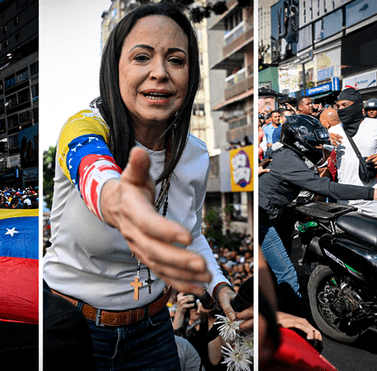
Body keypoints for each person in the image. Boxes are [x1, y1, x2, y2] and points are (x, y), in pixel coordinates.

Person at [42, 3, 241, 369]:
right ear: (115, 68)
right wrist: (119, 200)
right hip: (71, 330)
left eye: (176, 60)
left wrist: (219, 286)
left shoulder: (195, 155)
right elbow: (93, 171)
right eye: (142, 57)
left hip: (154, 332)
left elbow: (192, 233)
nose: (159, 73)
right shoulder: (82, 128)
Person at [258, 114, 377, 316]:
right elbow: (327, 187)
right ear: (300, 142)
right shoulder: (289, 161)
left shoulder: (281, 150)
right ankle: (300, 324)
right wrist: (373, 193)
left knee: (272, 271)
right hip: (263, 221)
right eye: (315, 145)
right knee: (288, 275)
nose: (320, 149)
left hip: (273, 215)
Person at [329, 88, 377, 221]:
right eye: (338, 106)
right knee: (348, 239)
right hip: (345, 198)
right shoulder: (334, 131)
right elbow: (323, 161)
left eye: (345, 105)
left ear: (357, 105)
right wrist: (325, 141)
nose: (341, 109)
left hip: (374, 197)